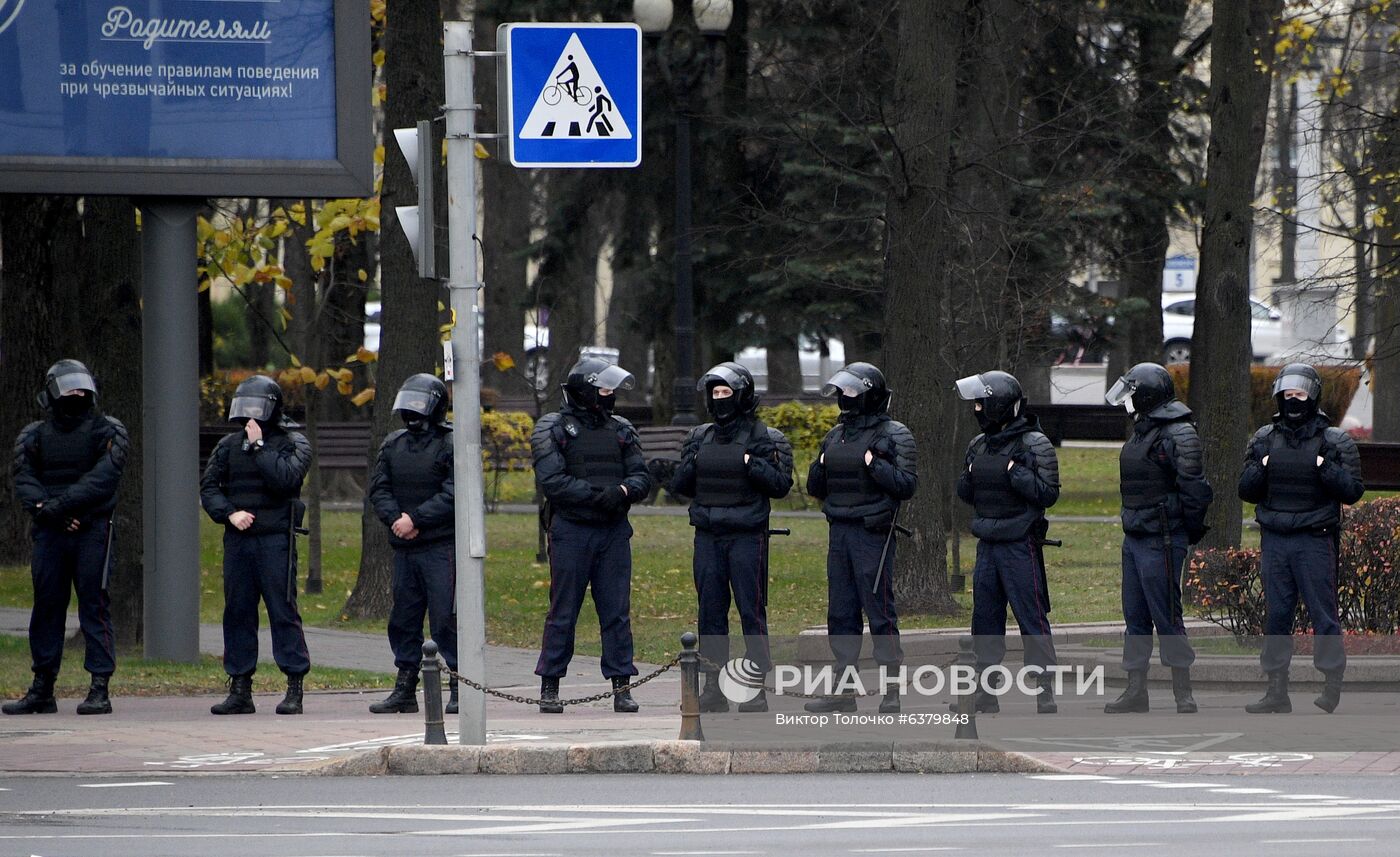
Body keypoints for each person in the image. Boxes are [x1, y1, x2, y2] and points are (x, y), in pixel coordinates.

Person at [1238, 363, 1364, 714]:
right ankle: (1276, 692)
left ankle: (1331, 686)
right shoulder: (1264, 437)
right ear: (1279, 396)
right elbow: (1245, 490)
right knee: (1277, 616)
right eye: (1288, 395)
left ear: (1313, 396)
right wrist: (1260, 467)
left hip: (1314, 540)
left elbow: (1353, 491)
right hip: (1276, 540)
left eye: (1300, 394)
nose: (1294, 401)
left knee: (1323, 615)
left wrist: (1326, 468)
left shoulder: (1333, 439)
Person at [5, 360, 128, 716]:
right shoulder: (33, 435)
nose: (76, 393)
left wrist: (64, 509)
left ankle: (99, 688)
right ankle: (42, 688)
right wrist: (52, 512)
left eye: (81, 387)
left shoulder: (108, 430)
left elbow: (104, 480)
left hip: (92, 529)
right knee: (46, 608)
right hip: (51, 532)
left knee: (94, 606)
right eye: (69, 387)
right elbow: (24, 480)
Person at [669, 363, 794, 713]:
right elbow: (680, 487)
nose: (720, 399)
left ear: (741, 396)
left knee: (751, 612)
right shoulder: (700, 436)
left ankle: (754, 687)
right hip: (708, 536)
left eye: (726, 392)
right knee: (710, 612)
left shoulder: (762, 436)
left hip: (746, 536)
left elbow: (781, 485)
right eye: (715, 393)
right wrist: (691, 465)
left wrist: (751, 462)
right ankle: (713, 684)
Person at [532, 357, 652, 714]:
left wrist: (623, 492)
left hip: (613, 531)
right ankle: (550, 685)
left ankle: (622, 686)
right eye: (603, 389)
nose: (610, 396)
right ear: (584, 390)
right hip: (571, 530)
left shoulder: (621, 429)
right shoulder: (553, 427)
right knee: (563, 610)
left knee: (616, 611)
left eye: (612, 390)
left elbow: (641, 476)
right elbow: (552, 480)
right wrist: (596, 495)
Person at [803, 363, 917, 714]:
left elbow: (905, 485)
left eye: (852, 392)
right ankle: (843, 692)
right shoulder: (836, 435)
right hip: (840, 532)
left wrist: (875, 465)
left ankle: (892, 690)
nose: (844, 398)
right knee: (841, 614)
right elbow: (814, 486)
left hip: (873, 535)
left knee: (880, 614)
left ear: (869, 394)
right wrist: (821, 466)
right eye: (842, 392)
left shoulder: (893, 433)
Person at [1102, 363, 1212, 714]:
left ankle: (1183, 691)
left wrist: (1183, 529)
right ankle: (1136, 691)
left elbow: (1196, 490)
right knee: (1135, 617)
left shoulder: (1177, 433)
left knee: (1167, 615)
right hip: (1135, 536)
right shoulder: (1143, 429)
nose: (1128, 401)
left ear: (1147, 395)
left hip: (1162, 537)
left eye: (1133, 393)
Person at [199, 375, 312, 716]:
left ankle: (294, 686)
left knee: (282, 610)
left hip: (275, 540)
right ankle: (240, 688)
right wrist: (229, 514)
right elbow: (209, 488)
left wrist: (261, 447)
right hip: (239, 540)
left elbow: (286, 481)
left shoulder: (294, 443)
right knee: (237, 612)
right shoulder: (228, 446)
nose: (249, 415)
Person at [954, 370, 1060, 714]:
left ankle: (1045, 691)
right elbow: (965, 492)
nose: (978, 409)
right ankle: (985, 692)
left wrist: (1015, 472)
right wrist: (975, 475)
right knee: (984, 620)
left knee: (1031, 618)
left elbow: (1047, 493)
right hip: (987, 544)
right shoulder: (978, 445)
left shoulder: (1034, 443)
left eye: (983, 403)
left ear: (999, 405)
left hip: (1020, 544)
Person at [366, 374, 459, 716]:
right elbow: (379, 488)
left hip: (439, 546)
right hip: (405, 547)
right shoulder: (393, 444)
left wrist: (416, 519)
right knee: (403, 619)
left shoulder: (449, 443)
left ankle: (458, 687)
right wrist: (395, 520)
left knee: (445, 618)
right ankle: (405, 687)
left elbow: (454, 492)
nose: (412, 413)